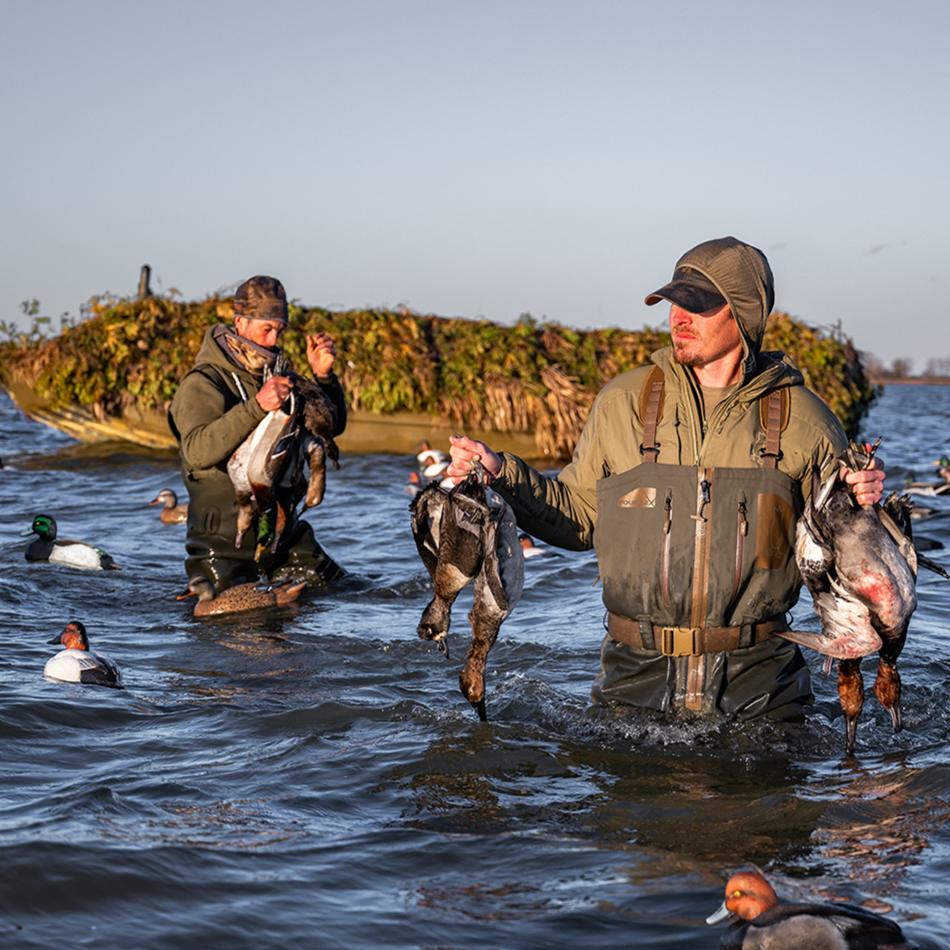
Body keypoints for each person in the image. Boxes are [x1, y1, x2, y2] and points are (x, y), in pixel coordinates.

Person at [446, 237, 885, 722]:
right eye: (675, 302)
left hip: (761, 693)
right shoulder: (621, 403)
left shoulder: (810, 423)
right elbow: (577, 517)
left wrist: (864, 506)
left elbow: (851, 571)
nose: (678, 316)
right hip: (633, 685)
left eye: (697, 306)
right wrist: (501, 471)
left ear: (744, 314)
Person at [169, 275, 347, 592]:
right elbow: (196, 451)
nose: (273, 338)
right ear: (240, 322)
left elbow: (333, 427)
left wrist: (324, 377)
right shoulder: (204, 381)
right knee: (228, 624)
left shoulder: (279, 376)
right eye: (266, 328)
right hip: (222, 545)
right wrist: (257, 406)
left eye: (279, 330)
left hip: (284, 534)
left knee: (344, 592)